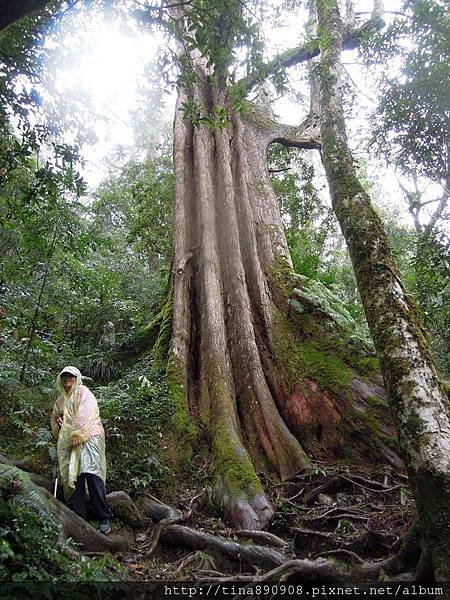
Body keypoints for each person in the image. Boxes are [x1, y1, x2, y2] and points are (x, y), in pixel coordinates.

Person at [51, 366, 112, 534]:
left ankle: (103, 518)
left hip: (89, 440)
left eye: (70, 376)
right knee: (73, 478)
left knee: (92, 475)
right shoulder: (60, 402)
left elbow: (87, 413)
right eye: (64, 376)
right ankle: (79, 519)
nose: (67, 379)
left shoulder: (83, 392)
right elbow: (56, 425)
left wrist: (78, 433)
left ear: (76, 378)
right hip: (70, 444)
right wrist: (58, 423)